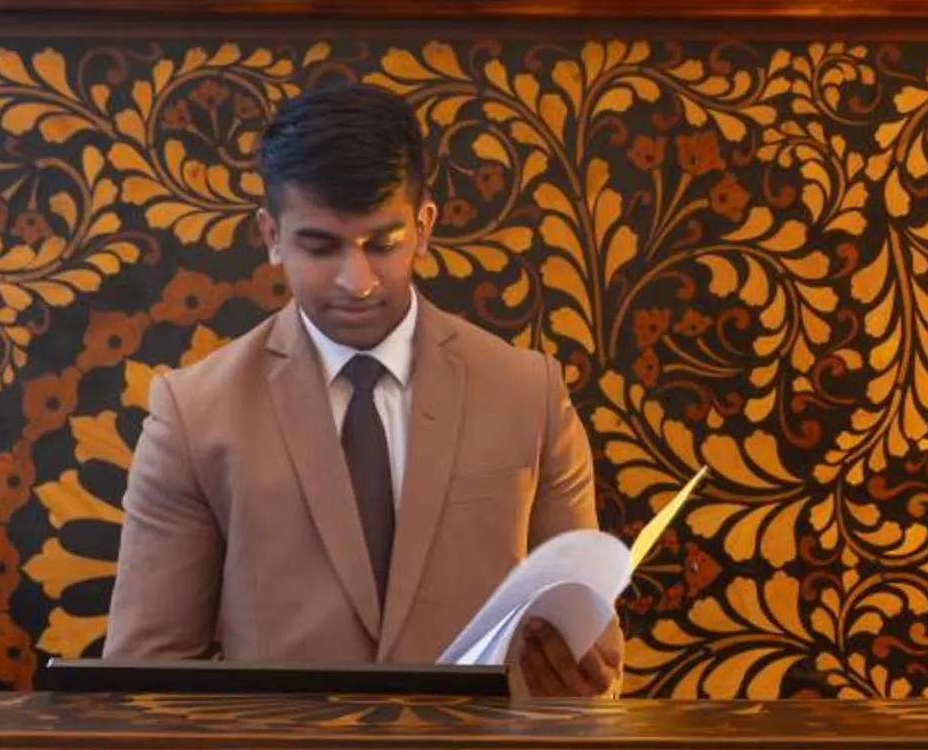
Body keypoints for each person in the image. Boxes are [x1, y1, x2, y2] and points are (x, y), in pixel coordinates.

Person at [107, 82, 621, 696]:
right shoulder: (192, 413)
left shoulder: (528, 394)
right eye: (320, 246)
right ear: (272, 235)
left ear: (424, 226)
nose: (357, 280)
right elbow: (143, 686)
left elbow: (594, 658)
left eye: (384, 243)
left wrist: (585, 679)